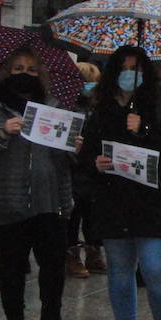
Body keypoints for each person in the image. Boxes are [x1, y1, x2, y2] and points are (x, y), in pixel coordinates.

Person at [0, 47, 84, 320]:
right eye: (17, 68)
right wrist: (0, 134)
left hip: (51, 198)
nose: (25, 74)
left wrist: (74, 147)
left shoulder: (55, 105)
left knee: (54, 264)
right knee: (13, 265)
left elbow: (67, 157)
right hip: (9, 198)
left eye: (31, 69)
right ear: (6, 71)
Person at [81, 46, 161, 320]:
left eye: (136, 68)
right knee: (120, 271)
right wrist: (93, 161)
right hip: (113, 200)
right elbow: (88, 150)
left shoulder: (160, 102)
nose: (130, 74)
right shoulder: (101, 106)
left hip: (152, 199)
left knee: (156, 268)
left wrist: (144, 131)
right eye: (124, 68)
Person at [66, 61, 105, 278]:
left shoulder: (99, 106)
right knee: (74, 214)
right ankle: (71, 254)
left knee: (93, 214)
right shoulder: (68, 105)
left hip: (93, 167)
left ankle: (93, 251)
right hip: (74, 167)